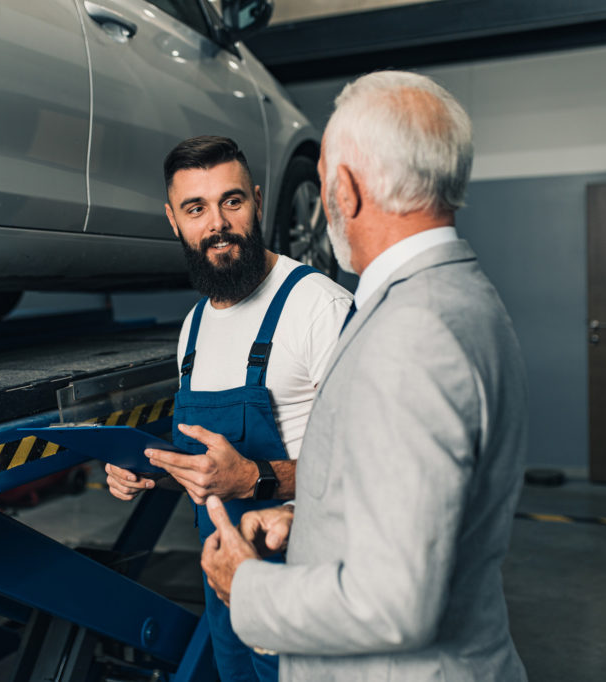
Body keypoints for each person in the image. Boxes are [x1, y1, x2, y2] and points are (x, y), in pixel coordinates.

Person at [198, 71, 530, 681]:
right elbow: (423, 514)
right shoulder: (458, 298)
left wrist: (246, 589)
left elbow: (395, 605)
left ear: (344, 189)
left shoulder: (414, 334)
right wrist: (314, 526)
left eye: (324, 177)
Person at [104, 135, 352, 682]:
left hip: (309, 590)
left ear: (257, 202)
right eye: (196, 208)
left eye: (232, 201)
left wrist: (253, 478)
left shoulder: (319, 308)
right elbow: (210, 475)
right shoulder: (194, 327)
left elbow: (371, 475)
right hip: (226, 586)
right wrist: (154, 475)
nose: (217, 223)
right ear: (174, 220)